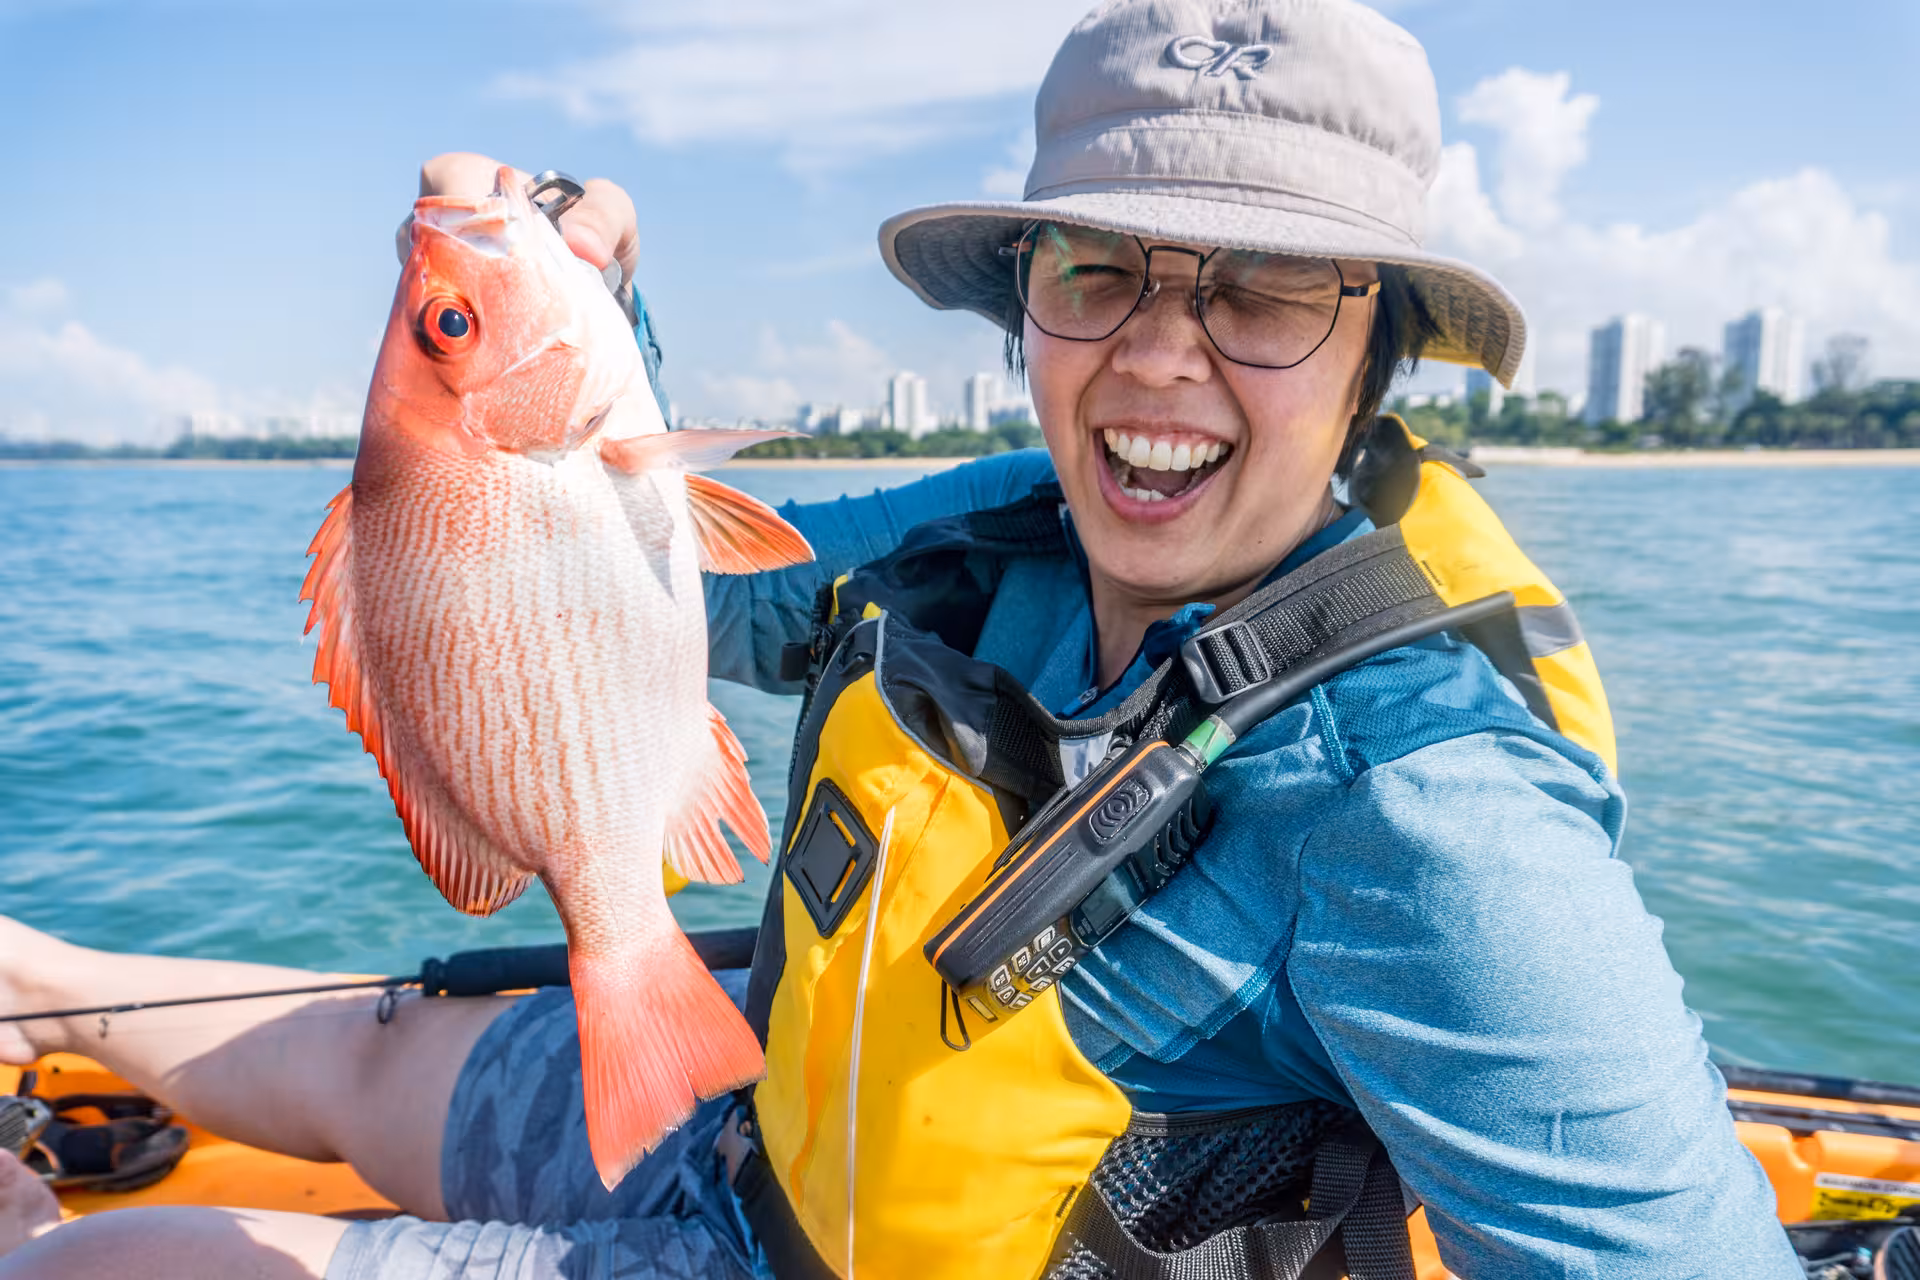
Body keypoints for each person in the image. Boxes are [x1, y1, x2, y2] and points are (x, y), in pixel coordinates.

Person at [0, 0, 1804, 1276]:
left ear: (1375, 361)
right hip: (754, 1134)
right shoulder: (997, 535)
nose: (1163, 357)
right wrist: (590, 321)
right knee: (367, 1049)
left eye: (1261, 292)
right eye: (1099, 270)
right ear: (1027, 306)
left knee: (122, 1265)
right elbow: (675, 596)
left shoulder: (1428, 816)